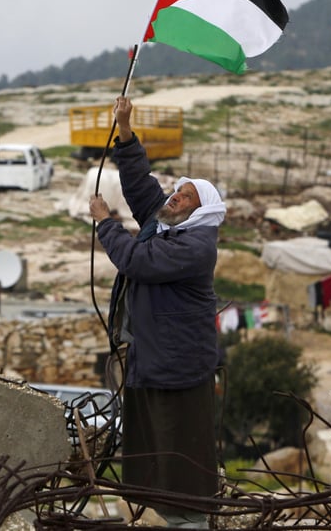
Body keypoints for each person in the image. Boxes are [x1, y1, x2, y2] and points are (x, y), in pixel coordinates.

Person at [88, 96, 224, 529]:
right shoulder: (164, 224)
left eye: (186, 197)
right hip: (153, 359)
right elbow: (141, 184)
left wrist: (107, 223)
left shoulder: (195, 246)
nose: (176, 197)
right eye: (178, 191)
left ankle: (191, 521)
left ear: (200, 211)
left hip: (178, 365)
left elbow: (137, 262)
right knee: (152, 447)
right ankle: (167, 516)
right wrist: (125, 130)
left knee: (182, 448)